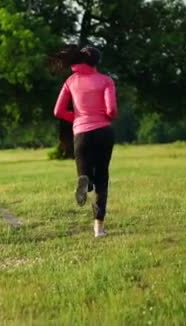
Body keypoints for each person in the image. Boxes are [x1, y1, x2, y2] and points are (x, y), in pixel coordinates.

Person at [53, 45, 118, 237]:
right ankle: (98, 228)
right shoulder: (106, 81)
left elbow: (58, 111)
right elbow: (111, 110)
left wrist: (79, 118)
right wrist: (104, 115)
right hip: (103, 132)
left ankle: (85, 180)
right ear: (97, 62)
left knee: (85, 173)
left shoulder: (71, 81)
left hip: (81, 133)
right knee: (103, 178)